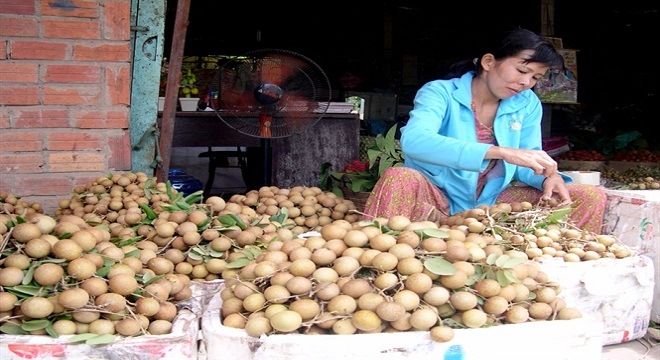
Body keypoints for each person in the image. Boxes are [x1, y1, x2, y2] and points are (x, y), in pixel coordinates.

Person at [362, 28, 607, 233]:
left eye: (536, 77)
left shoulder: (527, 103)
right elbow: (415, 141)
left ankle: (556, 271)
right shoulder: (440, 92)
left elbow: (527, 160)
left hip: (492, 205)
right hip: (436, 198)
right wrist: (499, 152)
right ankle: (380, 260)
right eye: (522, 71)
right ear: (489, 61)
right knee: (400, 178)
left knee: (588, 196)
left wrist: (548, 177)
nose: (526, 83)